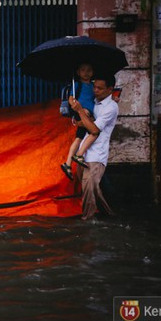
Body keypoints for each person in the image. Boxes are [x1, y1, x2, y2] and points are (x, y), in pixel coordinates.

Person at [69, 74, 119, 221]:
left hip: (96, 155)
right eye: (94, 86)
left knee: (89, 189)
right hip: (84, 153)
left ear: (110, 90)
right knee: (92, 189)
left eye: (99, 88)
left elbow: (94, 129)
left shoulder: (111, 107)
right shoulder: (94, 102)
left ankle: (88, 220)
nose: (95, 90)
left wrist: (80, 112)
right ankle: (109, 215)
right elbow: (79, 123)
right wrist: (81, 116)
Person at [60, 63, 98, 180]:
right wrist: (77, 107)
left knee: (79, 137)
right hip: (81, 112)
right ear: (78, 73)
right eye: (83, 70)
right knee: (94, 132)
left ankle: (67, 163)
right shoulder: (77, 85)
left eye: (89, 70)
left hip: (88, 114)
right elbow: (71, 99)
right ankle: (79, 155)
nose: (86, 73)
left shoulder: (94, 86)